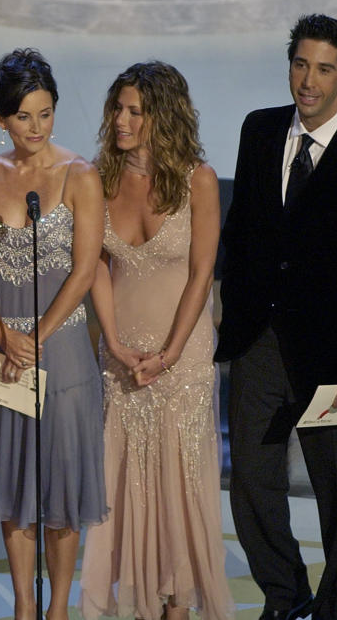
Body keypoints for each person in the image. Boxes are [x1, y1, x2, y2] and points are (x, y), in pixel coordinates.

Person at [215, 14, 337, 620]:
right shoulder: (259, 130)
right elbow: (244, 232)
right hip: (259, 345)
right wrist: (232, 318)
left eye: (323, 69)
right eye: (300, 64)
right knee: (251, 483)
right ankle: (285, 593)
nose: (308, 80)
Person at [78, 61, 233, 620]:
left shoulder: (199, 180)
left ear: (162, 117)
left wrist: (168, 355)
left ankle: (177, 609)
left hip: (181, 359)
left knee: (180, 496)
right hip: (121, 360)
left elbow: (201, 273)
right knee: (125, 494)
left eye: (134, 111)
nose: (120, 120)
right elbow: (94, 264)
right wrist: (115, 344)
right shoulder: (98, 178)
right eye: (117, 108)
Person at [0, 48, 106, 620]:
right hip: (0, 350)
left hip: (62, 349)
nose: (36, 127)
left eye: (45, 114)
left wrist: (39, 336)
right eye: (23, 116)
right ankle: (24, 606)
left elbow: (86, 267)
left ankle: (59, 609)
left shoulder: (80, 175)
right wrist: (1, 332)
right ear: (1, 118)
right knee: (12, 485)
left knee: (62, 489)